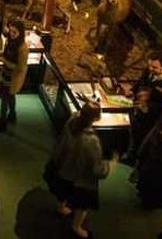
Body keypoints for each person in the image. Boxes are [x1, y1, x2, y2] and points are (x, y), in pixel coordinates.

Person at [46, 102, 117, 238]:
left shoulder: (72, 120)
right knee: (83, 204)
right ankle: (76, 227)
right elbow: (97, 169)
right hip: (81, 179)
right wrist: (110, 164)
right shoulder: (91, 140)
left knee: (63, 190)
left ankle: (61, 207)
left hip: (64, 167)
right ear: (96, 119)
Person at [126, 50, 162, 162]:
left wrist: (147, 107)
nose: (150, 69)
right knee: (133, 138)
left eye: (154, 67)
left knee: (142, 145)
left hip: (150, 123)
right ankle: (130, 156)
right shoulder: (149, 72)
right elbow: (140, 82)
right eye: (149, 66)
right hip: (138, 115)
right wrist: (132, 90)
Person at [0, 17, 28, 132]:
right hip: (6, 74)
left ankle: (2, 123)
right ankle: (12, 116)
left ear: (20, 33)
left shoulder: (22, 48)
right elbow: (6, 54)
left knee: (5, 99)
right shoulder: (10, 41)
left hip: (13, 78)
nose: (11, 34)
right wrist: (0, 54)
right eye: (10, 31)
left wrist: (3, 60)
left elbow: (19, 67)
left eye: (14, 32)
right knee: (10, 96)